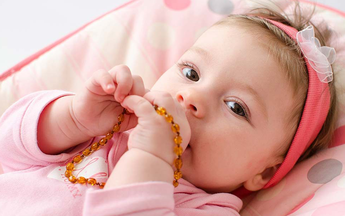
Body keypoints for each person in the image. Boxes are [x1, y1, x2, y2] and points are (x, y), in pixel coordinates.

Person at [0, 3, 338, 216]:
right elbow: (7, 153)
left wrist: (152, 158)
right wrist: (72, 118)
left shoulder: (208, 210)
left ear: (262, 174)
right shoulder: (97, 132)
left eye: (236, 107)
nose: (192, 97)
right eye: (191, 73)